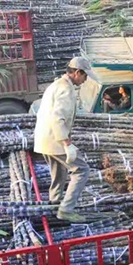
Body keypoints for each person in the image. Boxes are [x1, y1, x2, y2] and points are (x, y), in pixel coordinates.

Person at [34, 56, 94, 223]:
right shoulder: (66, 89)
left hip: (44, 139)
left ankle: (54, 202)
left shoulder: (55, 85)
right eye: (84, 76)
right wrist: (67, 144)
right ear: (77, 73)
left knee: (59, 171)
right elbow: (57, 117)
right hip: (54, 140)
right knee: (82, 170)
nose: (85, 80)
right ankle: (66, 210)